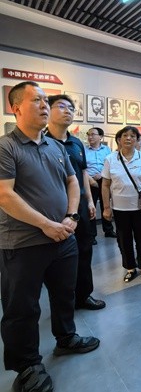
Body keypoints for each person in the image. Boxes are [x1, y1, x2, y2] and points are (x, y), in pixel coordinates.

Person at [0, 82, 99, 392]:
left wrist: (70, 217)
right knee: (22, 307)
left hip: (62, 237)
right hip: (23, 243)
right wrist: (46, 224)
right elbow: (4, 195)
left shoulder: (55, 147)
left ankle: (66, 337)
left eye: (46, 100)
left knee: (64, 293)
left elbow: (73, 182)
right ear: (16, 108)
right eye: (37, 100)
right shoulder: (6, 147)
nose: (45, 105)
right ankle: (26, 365)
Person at [45, 95, 106, 311]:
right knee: (57, 258)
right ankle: (63, 302)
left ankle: (84, 295)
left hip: (79, 207)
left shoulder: (76, 142)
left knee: (84, 251)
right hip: (54, 209)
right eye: (61, 106)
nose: (67, 111)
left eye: (71, 108)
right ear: (48, 110)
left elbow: (83, 173)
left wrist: (89, 201)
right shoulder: (42, 143)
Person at [101, 126, 141, 283]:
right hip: (119, 208)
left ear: (138, 140)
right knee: (123, 240)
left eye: (133, 136)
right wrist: (106, 207)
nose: (128, 138)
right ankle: (130, 268)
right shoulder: (110, 159)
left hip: (140, 207)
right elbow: (105, 184)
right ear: (119, 139)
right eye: (125, 135)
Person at [86, 127, 116, 240]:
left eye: (93, 134)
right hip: (89, 181)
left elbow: (111, 164)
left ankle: (108, 230)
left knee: (106, 205)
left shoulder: (107, 150)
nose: (90, 137)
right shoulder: (84, 150)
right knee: (91, 207)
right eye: (88, 134)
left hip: (104, 180)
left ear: (100, 137)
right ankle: (91, 235)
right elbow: (82, 167)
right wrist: (89, 178)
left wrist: (102, 174)